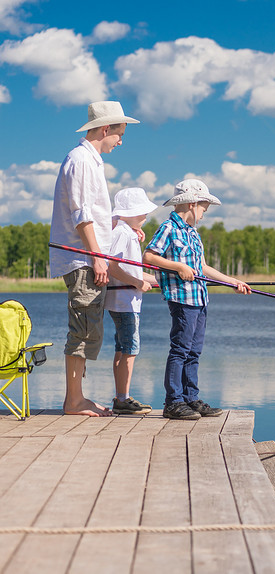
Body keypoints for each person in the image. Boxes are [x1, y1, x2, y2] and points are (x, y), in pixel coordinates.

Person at [49, 101, 140, 417]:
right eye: (120, 133)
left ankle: (77, 397)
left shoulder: (89, 161)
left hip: (88, 257)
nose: (121, 141)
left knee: (89, 327)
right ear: (105, 129)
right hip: (83, 260)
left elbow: (97, 216)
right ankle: (74, 401)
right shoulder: (82, 161)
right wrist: (98, 257)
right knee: (84, 327)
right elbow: (82, 215)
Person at [143, 179, 251, 420]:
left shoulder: (193, 234)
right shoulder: (169, 228)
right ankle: (173, 402)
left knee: (194, 352)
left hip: (200, 298)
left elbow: (202, 267)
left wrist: (232, 281)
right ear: (192, 204)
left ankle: (191, 398)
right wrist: (178, 266)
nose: (204, 214)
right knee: (180, 350)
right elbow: (148, 257)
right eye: (204, 208)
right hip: (182, 299)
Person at [105, 187, 159, 415]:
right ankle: (123, 398)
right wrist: (138, 283)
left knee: (123, 348)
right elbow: (111, 266)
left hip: (126, 301)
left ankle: (121, 396)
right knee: (130, 349)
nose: (145, 217)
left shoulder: (127, 232)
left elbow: (131, 269)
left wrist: (157, 280)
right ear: (129, 213)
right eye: (141, 213)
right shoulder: (123, 233)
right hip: (124, 302)